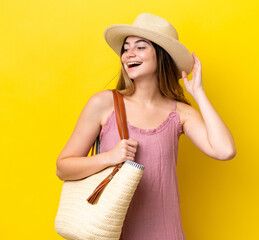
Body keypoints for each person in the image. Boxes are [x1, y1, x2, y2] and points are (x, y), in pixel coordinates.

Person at [56, 13, 236, 240]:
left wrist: (198, 94)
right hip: (109, 232)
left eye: (140, 47)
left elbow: (225, 150)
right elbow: (63, 168)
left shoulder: (179, 113)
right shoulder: (104, 103)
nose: (129, 54)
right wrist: (109, 157)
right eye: (126, 48)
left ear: (161, 56)